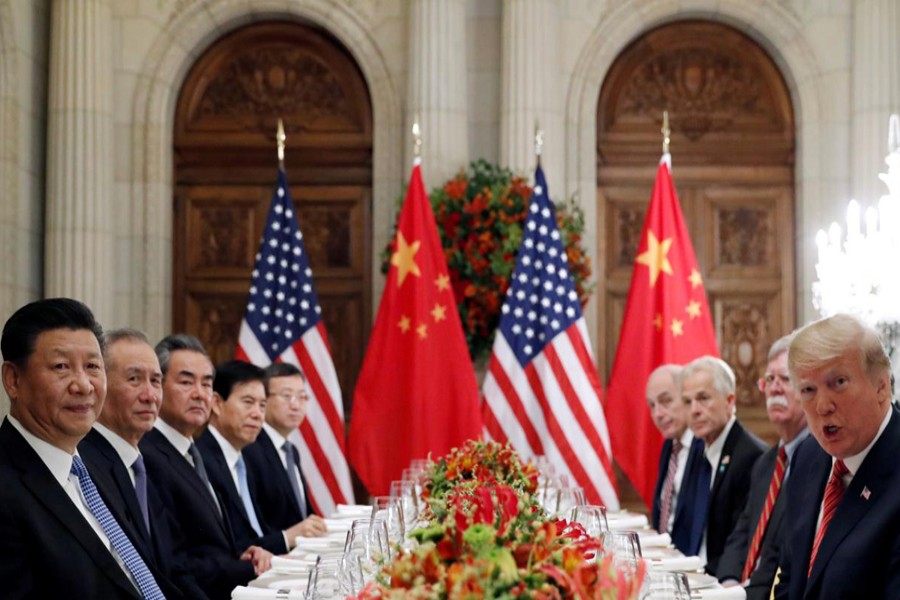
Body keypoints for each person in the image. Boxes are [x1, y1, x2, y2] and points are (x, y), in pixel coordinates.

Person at [0, 298, 175, 599]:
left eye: (93, 366)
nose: (83, 385)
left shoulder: (96, 465)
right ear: (13, 380)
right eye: (61, 367)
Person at [775, 314, 900, 598]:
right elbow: (790, 579)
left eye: (839, 382)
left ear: (882, 386)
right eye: (808, 390)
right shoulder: (808, 456)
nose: (822, 406)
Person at [140, 334, 271, 600]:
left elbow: (208, 545)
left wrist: (243, 555)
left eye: (207, 383)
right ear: (158, 386)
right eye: (186, 382)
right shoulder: (147, 455)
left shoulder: (193, 450)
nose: (200, 394)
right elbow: (175, 564)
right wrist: (246, 568)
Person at [79, 328, 207, 599]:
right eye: (134, 379)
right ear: (100, 385)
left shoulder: (139, 463)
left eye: (156, 381)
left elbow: (169, 566)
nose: (150, 396)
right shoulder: (84, 465)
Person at [198, 360, 325, 554]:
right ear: (216, 403)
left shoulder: (237, 458)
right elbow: (227, 548)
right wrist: (285, 539)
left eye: (262, 405)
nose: (257, 414)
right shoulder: (202, 460)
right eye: (248, 402)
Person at [717, 335, 809, 598]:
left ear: (808, 388)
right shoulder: (766, 462)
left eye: (785, 379)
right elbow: (742, 533)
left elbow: (782, 555)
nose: (774, 389)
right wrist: (728, 583)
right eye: (769, 379)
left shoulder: (819, 462)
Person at [681, 355, 767, 577]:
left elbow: (742, 543)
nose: (694, 410)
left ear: (729, 401)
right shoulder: (698, 449)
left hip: (721, 579)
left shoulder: (752, 456)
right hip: (693, 571)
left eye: (703, 398)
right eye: (687, 402)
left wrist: (697, 575)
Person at [244, 362, 326, 535]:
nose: (296, 406)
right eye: (287, 396)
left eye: (301, 397)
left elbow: (303, 515)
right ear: (264, 399)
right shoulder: (250, 448)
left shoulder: (291, 451)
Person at [647, 363, 705, 555]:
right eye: (652, 405)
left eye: (666, 401)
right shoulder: (669, 446)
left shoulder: (705, 446)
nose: (658, 414)